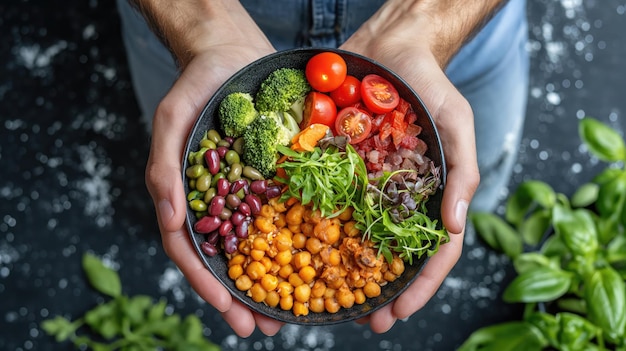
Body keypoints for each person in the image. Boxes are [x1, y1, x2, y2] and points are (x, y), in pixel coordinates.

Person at [116, 0, 529, 338]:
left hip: (455, 26)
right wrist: (201, 20)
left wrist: (427, 18)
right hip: (189, 26)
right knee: (170, 159)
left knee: (478, 175)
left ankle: (480, 218)